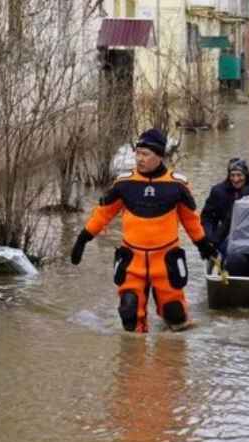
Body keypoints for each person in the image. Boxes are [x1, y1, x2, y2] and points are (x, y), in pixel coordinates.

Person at [70, 129, 217, 333]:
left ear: (159, 156)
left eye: (145, 154)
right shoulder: (124, 183)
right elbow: (103, 214)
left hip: (165, 259)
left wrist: (203, 244)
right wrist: (83, 239)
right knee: (129, 312)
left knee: (175, 314)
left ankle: (170, 354)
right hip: (133, 259)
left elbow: (190, 220)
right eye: (137, 153)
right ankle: (134, 359)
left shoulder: (177, 185)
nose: (140, 159)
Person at [200, 158, 249, 255]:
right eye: (232, 175)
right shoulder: (218, 191)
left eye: (239, 175)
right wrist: (210, 237)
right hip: (225, 235)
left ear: (245, 175)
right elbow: (207, 217)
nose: (236, 179)